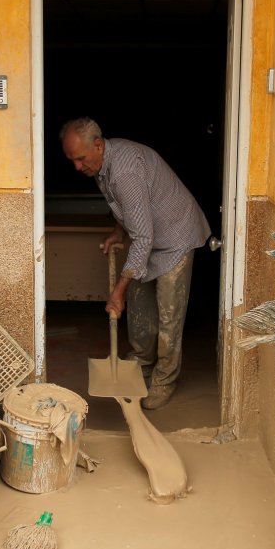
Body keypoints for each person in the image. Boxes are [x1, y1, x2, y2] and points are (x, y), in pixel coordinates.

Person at [59, 117, 211, 409]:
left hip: (176, 235)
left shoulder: (125, 172)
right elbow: (125, 210)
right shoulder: (100, 165)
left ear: (98, 146)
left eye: (80, 158)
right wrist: (118, 231)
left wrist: (118, 291)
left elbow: (142, 237)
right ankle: (143, 361)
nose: (77, 167)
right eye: (72, 160)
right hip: (149, 235)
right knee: (140, 309)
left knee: (169, 316)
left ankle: (164, 379)